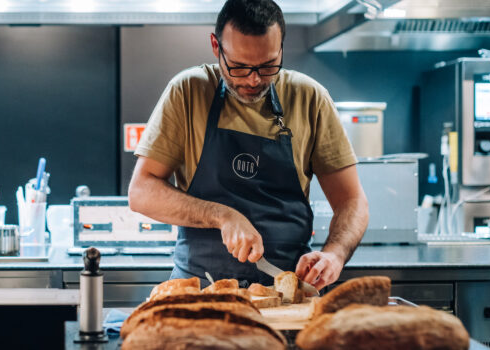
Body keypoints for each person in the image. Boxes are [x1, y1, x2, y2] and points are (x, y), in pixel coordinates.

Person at [127, 0, 369, 291]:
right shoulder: (188, 92)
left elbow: (352, 201)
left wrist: (334, 254)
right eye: (239, 67)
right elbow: (141, 191)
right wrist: (222, 216)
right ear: (216, 47)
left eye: (268, 66)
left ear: (281, 47)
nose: (254, 80)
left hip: (288, 290)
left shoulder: (310, 98)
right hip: (202, 287)